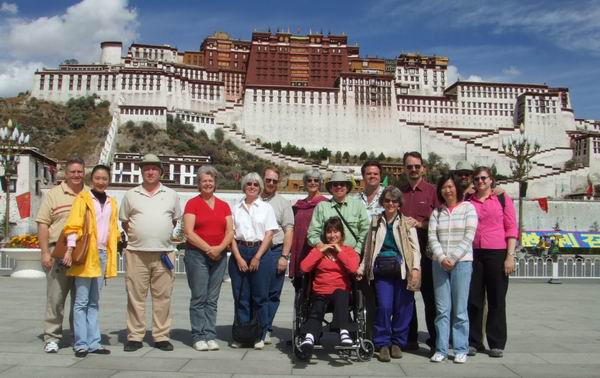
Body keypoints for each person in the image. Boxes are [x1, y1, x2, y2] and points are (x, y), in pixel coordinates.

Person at [120, 154, 182, 352]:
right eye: (146, 168)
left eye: (154, 168)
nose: (150, 172)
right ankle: (135, 336)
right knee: (135, 296)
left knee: (163, 296)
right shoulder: (130, 195)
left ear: (160, 172)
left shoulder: (171, 194)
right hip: (136, 252)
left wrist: (158, 234)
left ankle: (161, 335)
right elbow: (125, 221)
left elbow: (174, 220)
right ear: (141, 171)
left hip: (164, 253)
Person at [359, 186, 421, 362]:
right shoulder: (375, 222)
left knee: (403, 307)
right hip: (382, 271)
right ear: (382, 202)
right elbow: (368, 248)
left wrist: (415, 269)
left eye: (394, 201)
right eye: (387, 200)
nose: (390, 204)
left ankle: (397, 343)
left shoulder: (406, 223)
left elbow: (415, 249)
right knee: (384, 307)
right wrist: (363, 267)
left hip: (403, 270)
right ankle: (382, 343)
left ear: (399, 204)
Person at [62, 164, 119, 357]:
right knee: (81, 301)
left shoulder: (112, 202)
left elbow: (113, 229)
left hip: (102, 254)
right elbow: (74, 225)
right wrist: (70, 249)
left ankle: (94, 342)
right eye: (97, 178)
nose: (101, 182)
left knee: (94, 301)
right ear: (91, 179)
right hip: (86, 255)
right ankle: (81, 343)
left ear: (108, 180)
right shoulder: (83, 199)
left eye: (104, 178)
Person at [36, 157, 88, 353]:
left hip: (82, 255)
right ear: (65, 174)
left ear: (84, 173)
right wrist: (44, 253)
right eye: (72, 172)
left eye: (79, 172)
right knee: (56, 298)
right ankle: (52, 336)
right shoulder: (54, 195)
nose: (76, 175)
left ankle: (79, 336)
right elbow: (42, 224)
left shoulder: (88, 194)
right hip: (57, 252)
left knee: (80, 299)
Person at [467, 167, 517, 358]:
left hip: (497, 252)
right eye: (477, 178)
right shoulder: (468, 201)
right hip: (474, 253)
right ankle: (474, 341)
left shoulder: (502, 199)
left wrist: (510, 256)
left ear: (491, 180)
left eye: (483, 178)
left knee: (497, 298)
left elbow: (511, 228)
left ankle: (496, 342)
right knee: (474, 299)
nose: (480, 181)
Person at [428, 174, 478, 363]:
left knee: (459, 309)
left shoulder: (468, 208)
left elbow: (469, 235)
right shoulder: (437, 212)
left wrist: (454, 257)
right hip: (439, 264)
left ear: (456, 188)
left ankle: (460, 348)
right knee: (442, 309)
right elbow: (432, 237)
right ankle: (441, 348)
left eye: (450, 187)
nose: (447, 190)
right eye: (444, 187)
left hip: (462, 263)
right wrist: (441, 257)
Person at [183, 166, 234, 351]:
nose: (208, 183)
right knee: (199, 297)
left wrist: (219, 248)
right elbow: (188, 232)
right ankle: (198, 335)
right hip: (197, 255)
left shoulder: (224, 205)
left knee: (212, 299)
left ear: (215, 183)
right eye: (204, 180)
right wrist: (208, 249)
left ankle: (210, 334)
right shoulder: (192, 203)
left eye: (211, 180)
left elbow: (230, 231)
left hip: (219, 257)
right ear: (199, 184)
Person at [229, 172, 278, 350]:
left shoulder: (266, 208)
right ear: (244, 186)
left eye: (256, 184)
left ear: (260, 187)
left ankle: (260, 334)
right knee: (241, 297)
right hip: (240, 250)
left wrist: (257, 256)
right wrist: (239, 258)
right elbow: (231, 236)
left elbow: (269, 234)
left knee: (260, 297)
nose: (252, 187)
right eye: (249, 184)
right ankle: (242, 335)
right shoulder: (235, 208)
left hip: (260, 251)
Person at [298, 217, 360, 353]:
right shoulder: (318, 250)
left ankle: (344, 332)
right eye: (329, 232)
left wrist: (339, 251)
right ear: (325, 234)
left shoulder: (348, 251)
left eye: (336, 231)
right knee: (317, 304)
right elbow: (304, 267)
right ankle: (309, 337)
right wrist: (319, 251)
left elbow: (353, 268)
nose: (332, 235)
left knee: (340, 293)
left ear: (342, 234)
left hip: (341, 293)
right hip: (321, 291)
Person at [399, 151, 439, 351]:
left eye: (416, 166)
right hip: (405, 250)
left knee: (430, 297)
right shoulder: (400, 192)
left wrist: (420, 224)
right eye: (409, 166)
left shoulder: (432, 191)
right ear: (404, 169)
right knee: (407, 296)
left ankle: (435, 338)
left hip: (427, 249)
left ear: (423, 168)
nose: (413, 170)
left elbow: (441, 219)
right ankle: (410, 337)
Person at [260, 167, 295, 344]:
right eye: (268, 180)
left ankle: (266, 328)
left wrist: (284, 256)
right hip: (256, 251)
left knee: (272, 293)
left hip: (275, 251)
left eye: (274, 180)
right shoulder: (253, 199)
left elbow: (289, 231)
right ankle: (255, 327)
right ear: (262, 180)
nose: (271, 183)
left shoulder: (283, 203)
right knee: (257, 293)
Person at [307, 171, 370, 256]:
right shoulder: (322, 207)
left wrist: (357, 251)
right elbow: (312, 233)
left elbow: (365, 231)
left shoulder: (357, 205)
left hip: (352, 255)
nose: (339, 186)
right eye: (335, 184)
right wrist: (322, 247)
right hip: (328, 257)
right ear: (331, 188)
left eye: (342, 184)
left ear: (347, 188)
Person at [290, 169, 328, 291]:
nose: (312, 183)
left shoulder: (326, 204)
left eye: (316, 180)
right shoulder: (298, 205)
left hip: (317, 249)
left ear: (320, 183)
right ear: (305, 183)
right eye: (309, 180)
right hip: (300, 249)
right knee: (300, 291)